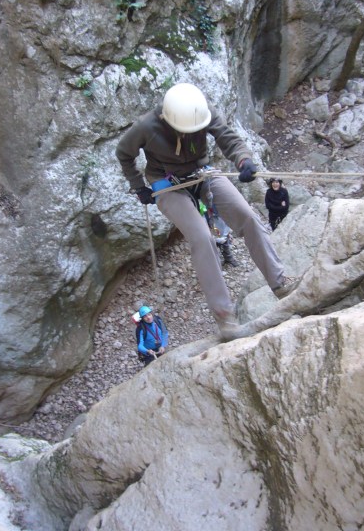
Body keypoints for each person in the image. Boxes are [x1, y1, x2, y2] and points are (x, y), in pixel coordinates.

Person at [116, 82, 297, 340]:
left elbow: (227, 137)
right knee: (202, 239)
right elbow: (124, 153)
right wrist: (138, 186)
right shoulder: (147, 126)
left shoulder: (203, 110)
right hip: (167, 185)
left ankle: (280, 283)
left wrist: (243, 160)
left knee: (246, 217)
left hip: (202, 174)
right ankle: (225, 318)